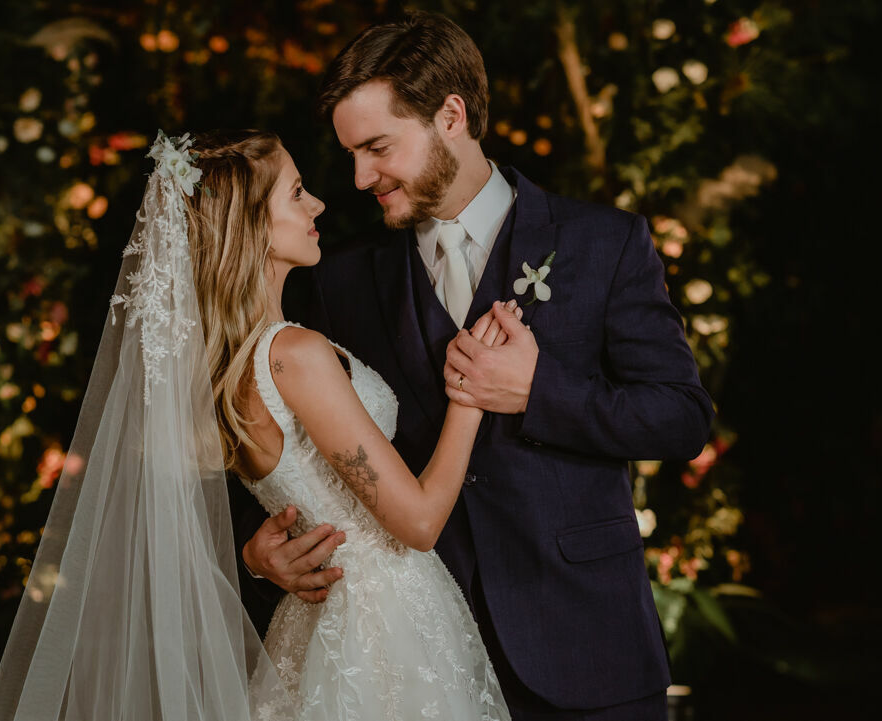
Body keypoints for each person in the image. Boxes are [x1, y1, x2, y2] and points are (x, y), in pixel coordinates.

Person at [238, 12, 715, 721]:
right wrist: (258, 557)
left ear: (451, 116)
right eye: (351, 155)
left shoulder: (603, 243)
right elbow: (298, 445)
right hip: (415, 666)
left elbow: (681, 418)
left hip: (587, 644)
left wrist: (537, 390)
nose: (361, 177)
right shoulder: (342, 281)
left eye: (377, 148)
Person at [0, 128, 518, 720]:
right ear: (252, 226)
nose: (318, 205)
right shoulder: (294, 355)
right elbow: (417, 522)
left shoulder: (224, 371)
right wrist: (469, 395)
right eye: (297, 193)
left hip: (322, 617)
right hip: (382, 620)